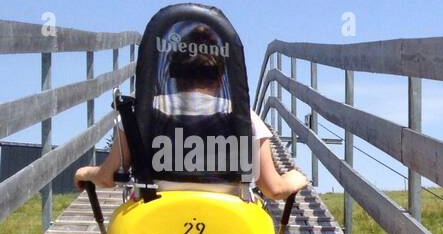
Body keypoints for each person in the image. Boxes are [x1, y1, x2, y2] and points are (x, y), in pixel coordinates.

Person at [75, 24, 307, 201]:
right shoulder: (243, 118)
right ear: (221, 77)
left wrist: (86, 171)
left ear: (171, 73)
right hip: (227, 226)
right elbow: (273, 189)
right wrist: (297, 177)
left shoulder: (142, 114)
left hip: (156, 224)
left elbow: (107, 177)